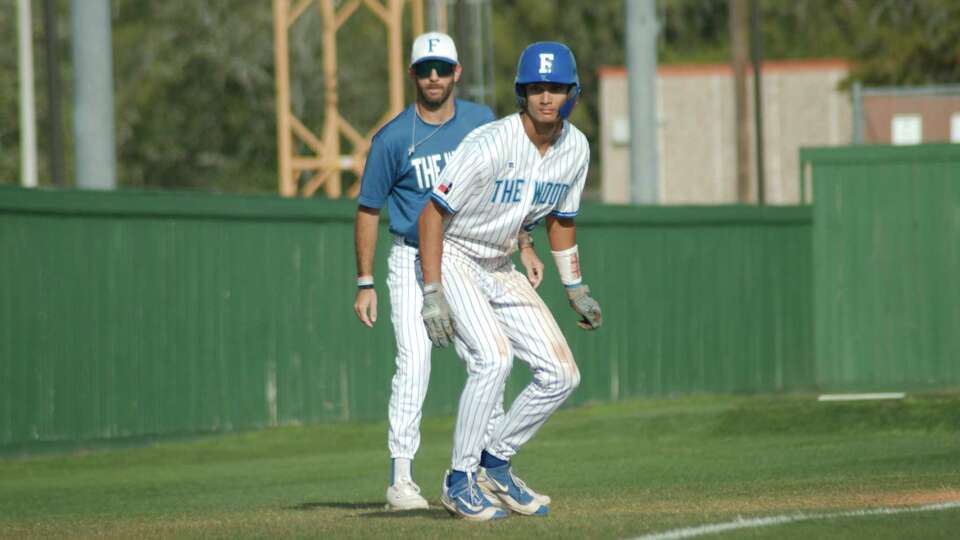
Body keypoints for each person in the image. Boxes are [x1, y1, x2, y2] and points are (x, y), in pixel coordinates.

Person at [353, 32, 545, 511]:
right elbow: (368, 209)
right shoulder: (394, 137)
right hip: (410, 257)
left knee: (489, 357)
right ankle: (402, 479)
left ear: (457, 72)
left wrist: (524, 243)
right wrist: (364, 282)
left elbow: (511, 184)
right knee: (414, 363)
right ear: (412, 74)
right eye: (425, 69)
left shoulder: (483, 121)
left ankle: (483, 469)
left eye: (442, 68)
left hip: (466, 256)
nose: (434, 76)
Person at [417, 41, 602, 521]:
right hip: (456, 254)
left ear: (572, 93)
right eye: (536, 87)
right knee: (493, 360)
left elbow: (562, 218)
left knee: (562, 374)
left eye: (556, 88)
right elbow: (433, 213)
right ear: (522, 92)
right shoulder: (491, 142)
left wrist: (574, 287)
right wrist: (432, 291)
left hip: (500, 263)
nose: (546, 97)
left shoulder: (576, 148)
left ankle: (494, 464)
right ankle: (459, 481)